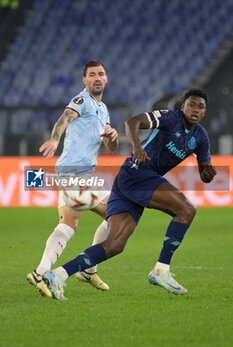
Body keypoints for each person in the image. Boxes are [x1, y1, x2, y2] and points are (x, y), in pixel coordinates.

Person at [41, 88, 217, 299]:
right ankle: (161, 270)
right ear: (183, 107)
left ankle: (58, 275)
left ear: (205, 112)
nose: (195, 109)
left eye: (200, 107)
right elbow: (133, 122)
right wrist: (137, 148)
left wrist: (208, 174)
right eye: (192, 105)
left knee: (115, 244)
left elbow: (205, 173)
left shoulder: (201, 137)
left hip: (133, 180)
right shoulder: (170, 118)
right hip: (137, 171)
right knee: (187, 210)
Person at [27, 60, 119, 297]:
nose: (97, 78)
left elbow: (111, 145)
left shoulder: (104, 108)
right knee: (118, 214)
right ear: (84, 80)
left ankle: (40, 272)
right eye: (92, 75)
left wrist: (113, 136)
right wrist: (55, 139)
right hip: (74, 172)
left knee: (68, 224)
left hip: (76, 172)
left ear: (106, 78)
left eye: (101, 74)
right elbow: (65, 119)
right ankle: (88, 269)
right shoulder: (82, 100)